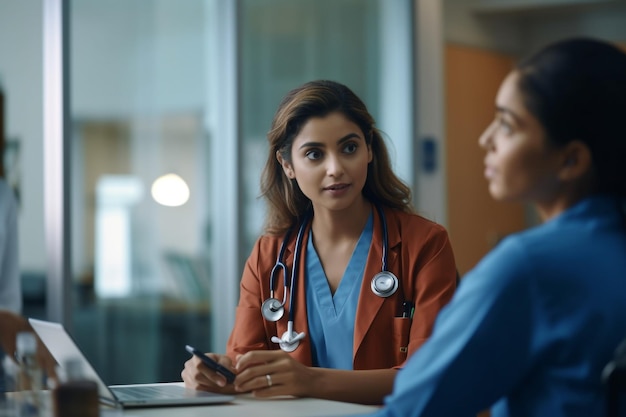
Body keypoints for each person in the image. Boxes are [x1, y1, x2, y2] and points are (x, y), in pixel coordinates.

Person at [353, 37, 626, 417]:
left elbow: (415, 411)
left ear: (572, 160)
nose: (486, 140)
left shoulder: (529, 267)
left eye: (507, 125)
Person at [182, 80, 458, 404]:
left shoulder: (424, 244)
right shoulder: (268, 257)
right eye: (314, 154)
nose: (336, 168)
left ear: (369, 149)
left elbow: (431, 375)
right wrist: (216, 373)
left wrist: (308, 381)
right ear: (287, 165)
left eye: (349, 148)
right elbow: (246, 368)